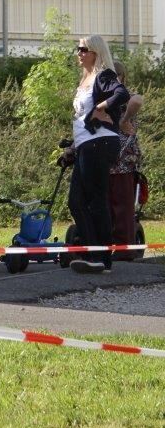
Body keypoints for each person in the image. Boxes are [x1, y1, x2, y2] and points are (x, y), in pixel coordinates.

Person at [66, 35, 128, 274]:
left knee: (96, 200)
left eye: (83, 49)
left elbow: (122, 93)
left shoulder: (103, 75)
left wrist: (100, 108)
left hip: (100, 143)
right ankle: (95, 253)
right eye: (78, 48)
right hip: (85, 144)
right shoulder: (85, 80)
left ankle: (101, 257)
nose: (78, 53)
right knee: (76, 201)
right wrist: (73, 145)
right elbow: (82, 118)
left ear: (95, 52)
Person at [108, 61, 143, 261]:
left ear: (121, 77)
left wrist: (124, 119)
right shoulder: (105, 99)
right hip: (105, 162)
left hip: (123, 162)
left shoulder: (125, 97)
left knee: (122, 207)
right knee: (106, 206)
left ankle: (124, 249)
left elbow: (137, 100)